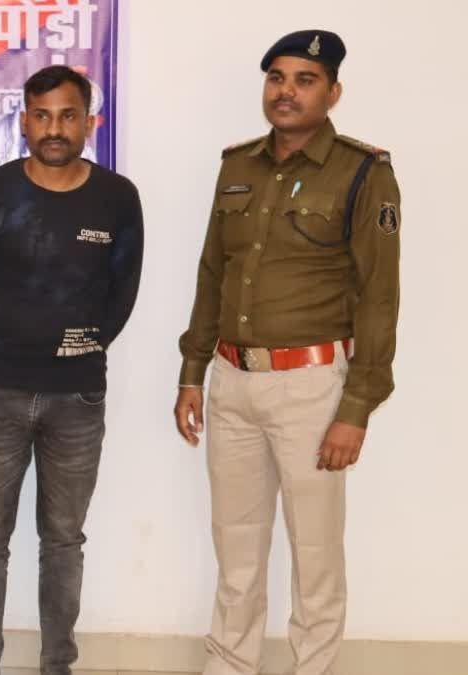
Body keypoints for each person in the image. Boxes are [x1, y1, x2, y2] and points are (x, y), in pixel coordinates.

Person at [173, 30, 401, 675]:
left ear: (333, 92)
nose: (286, 91)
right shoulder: (237, 166)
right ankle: (229, 665)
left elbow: (379, 296)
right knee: (236, 552)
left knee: (316, 555)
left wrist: (356, 407)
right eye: (277, 77)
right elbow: (212, 274)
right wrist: (192, 372)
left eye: (305, 80)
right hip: (231, 380)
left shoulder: (364, 173)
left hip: (312, 388)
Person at [0, 65, 144, 675]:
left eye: (67, 116)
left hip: (77, 397)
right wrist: (19, 340)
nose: (54, 128)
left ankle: (57, 664)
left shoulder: (118, 197)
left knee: (64, 540)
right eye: (42, 115)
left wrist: (78, 346)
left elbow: (121, 294)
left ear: (90, 121)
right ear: (24, 122)